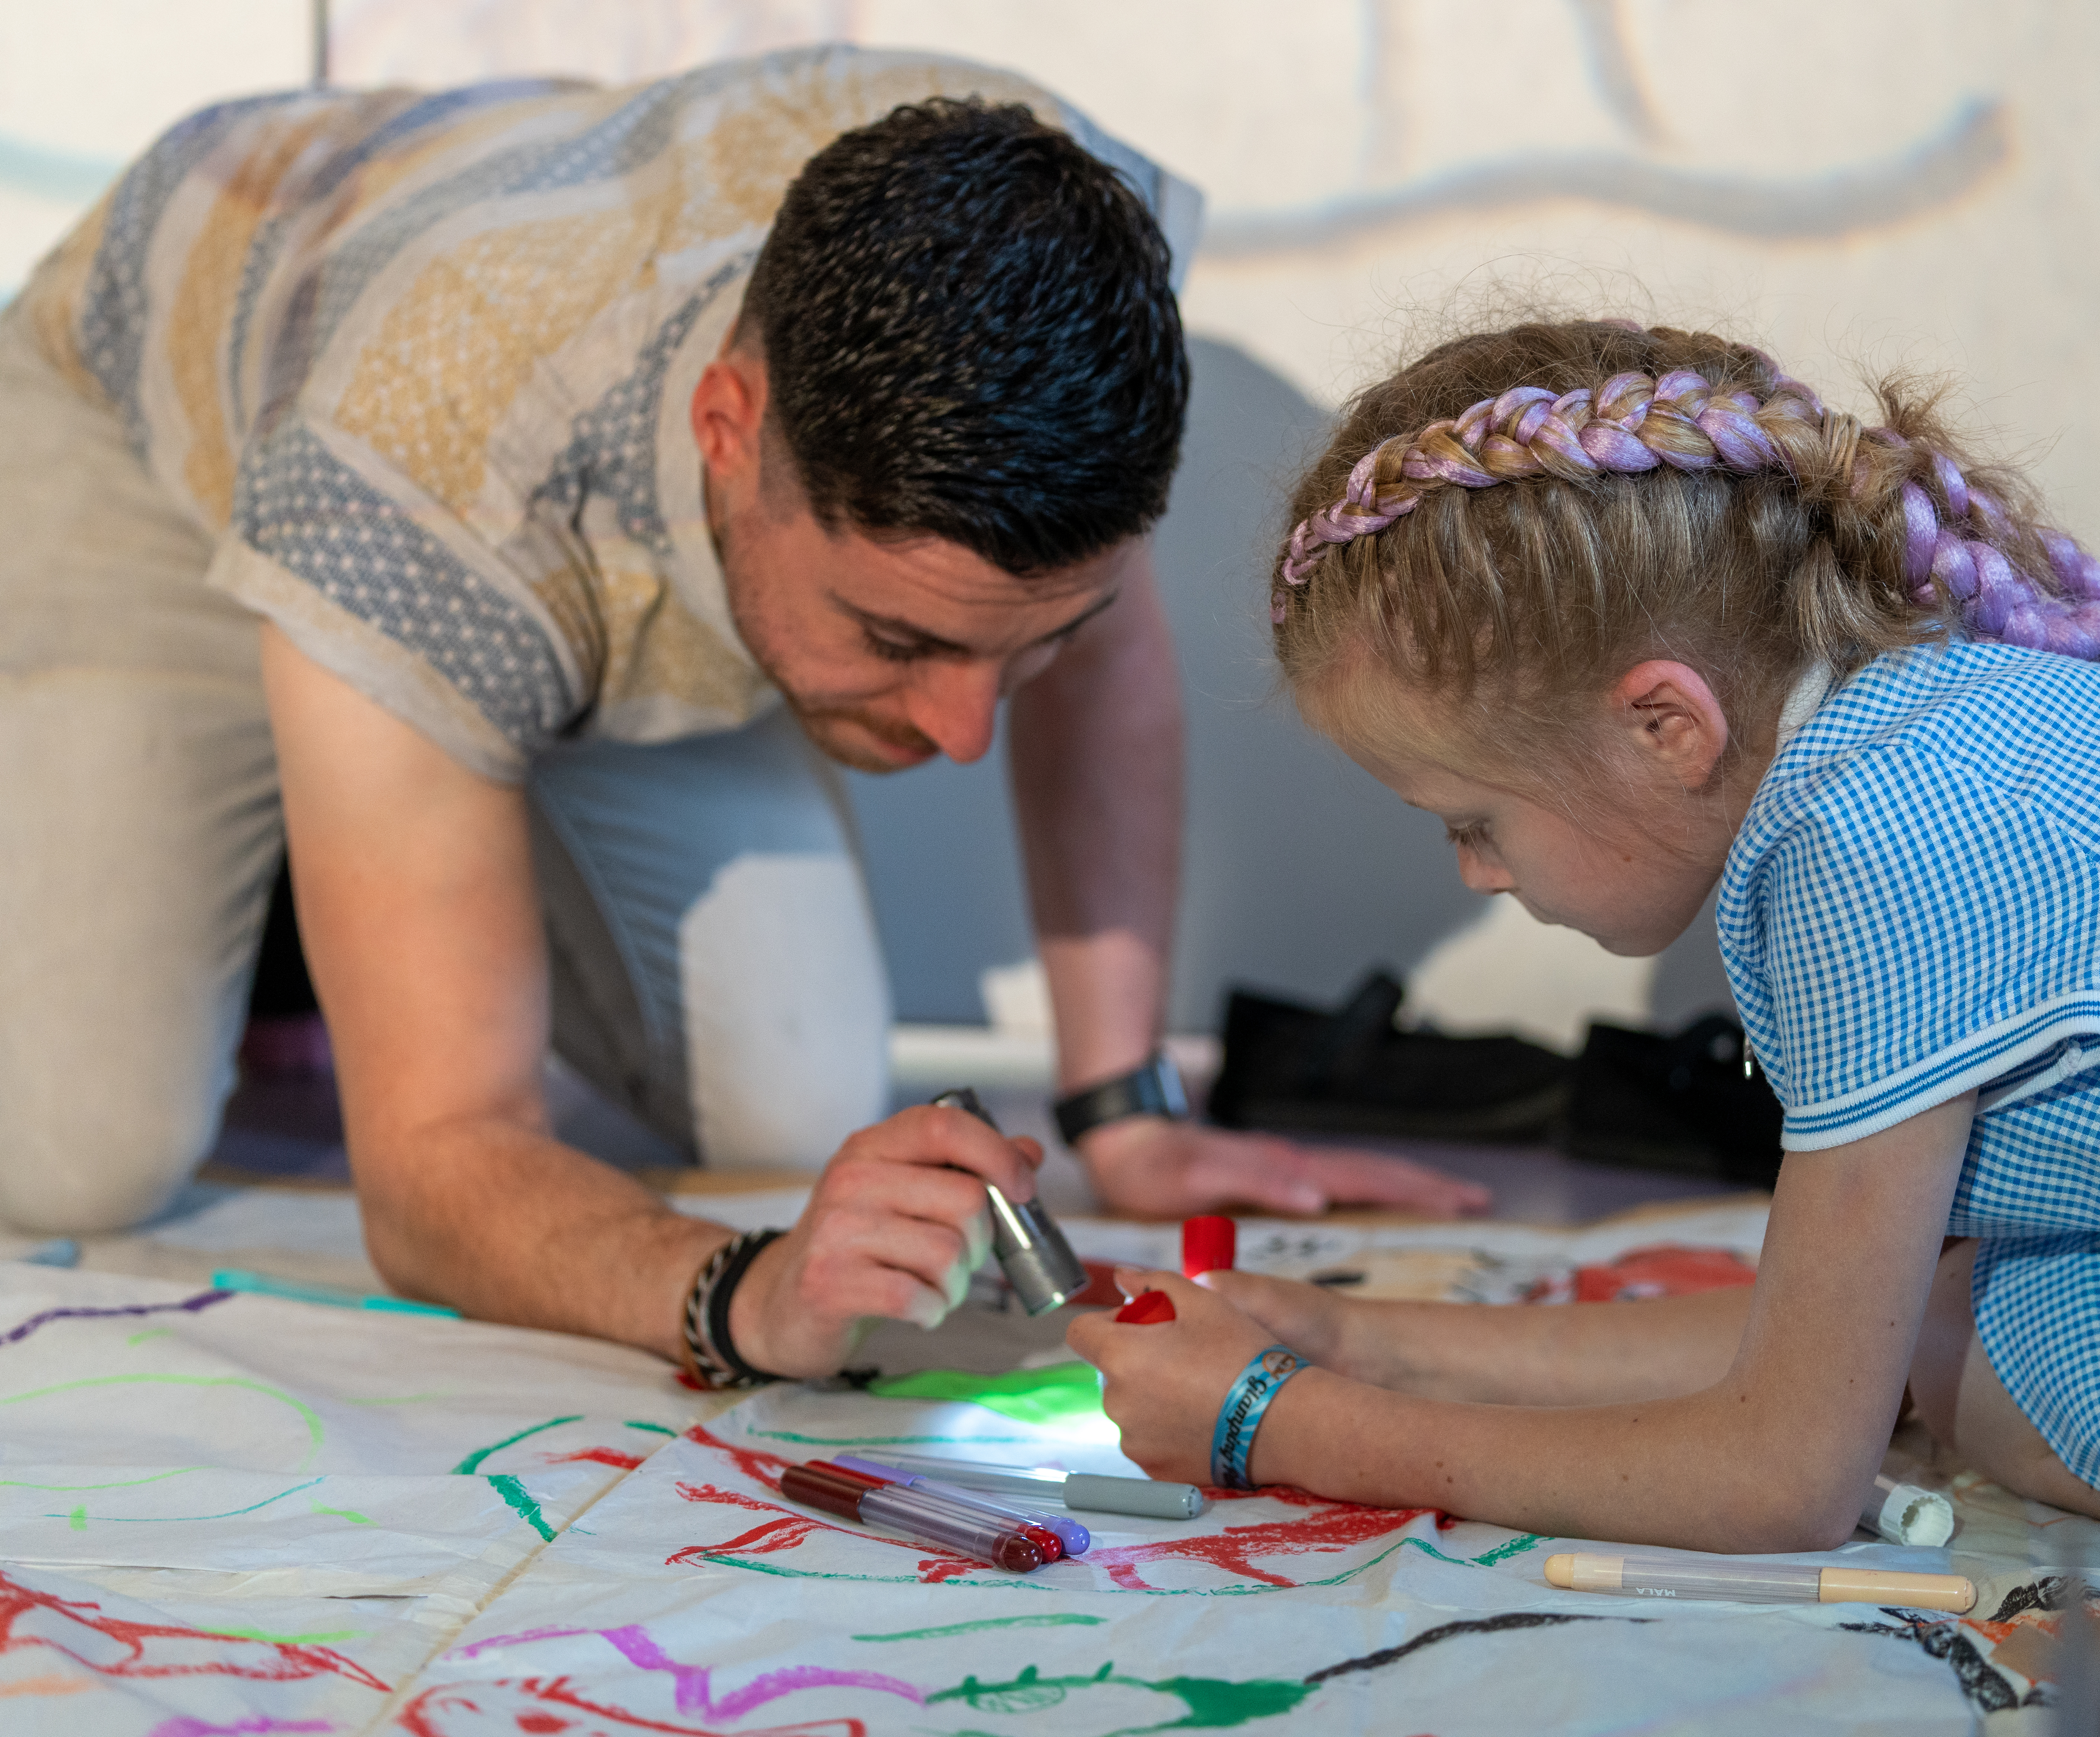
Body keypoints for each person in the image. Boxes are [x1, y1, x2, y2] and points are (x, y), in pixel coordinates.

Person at [0, 46, 1481, 1386]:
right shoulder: (414, 464)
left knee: (793, 1115)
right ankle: (308, 877)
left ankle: (395, 783)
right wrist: (744, 1293)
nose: (962, 734)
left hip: (536, 456)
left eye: (1010, 649)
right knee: (83, 1150)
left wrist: (1126, 1104)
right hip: (156, 404)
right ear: (731, 433)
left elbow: (1091, 638)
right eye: (894, 638)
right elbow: (436, 1161)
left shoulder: (1059, 253)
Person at [1073, 318, 2100, 1543]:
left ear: (1664, 726)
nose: (1476, 874)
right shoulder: (1912, 736)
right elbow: (1836, 1341)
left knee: (2016, 1364)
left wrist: (1273, 1422)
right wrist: (1359, 1341)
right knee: (1981, 1328)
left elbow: (1784, 1467)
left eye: (1473, 819)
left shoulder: (1880, 844)